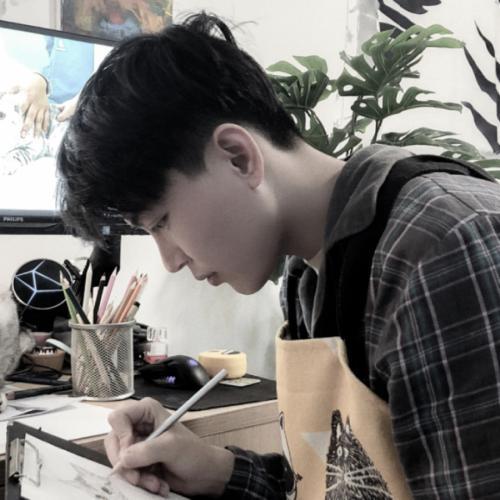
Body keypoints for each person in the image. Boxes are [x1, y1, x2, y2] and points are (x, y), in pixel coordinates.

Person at [57, 12, 500, 500]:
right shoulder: (307, 273)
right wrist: (216, 469)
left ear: (238, 156)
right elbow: (331, 486)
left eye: (161, 222)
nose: (170, 261)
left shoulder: (438, 249)